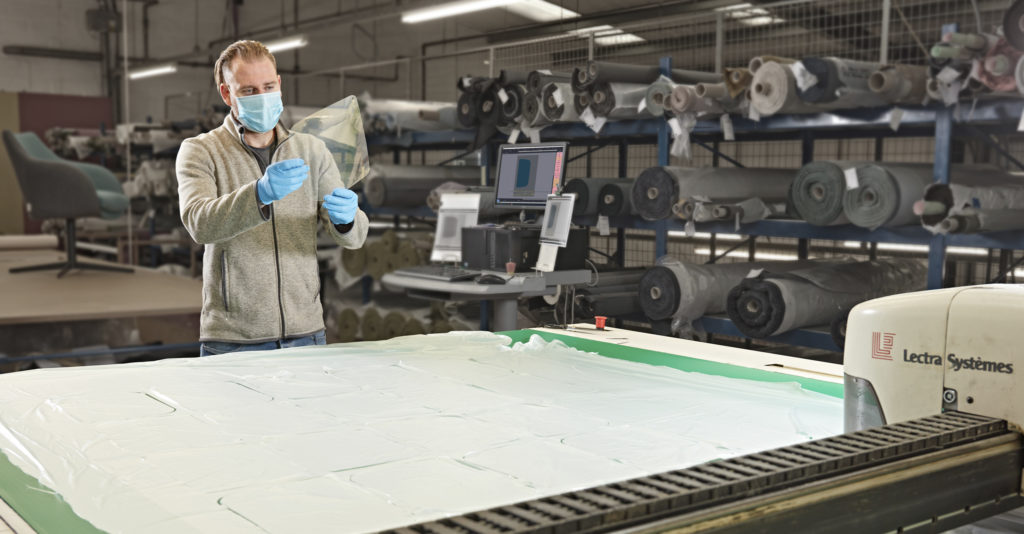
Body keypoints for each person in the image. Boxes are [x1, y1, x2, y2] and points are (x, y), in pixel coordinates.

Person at [176, 40, 367, 356]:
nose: (262, 97)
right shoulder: (201, 151)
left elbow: (355, 238)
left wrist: (347, 220)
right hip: (234, 339)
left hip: (306, 333)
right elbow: (199, 223)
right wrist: (258, 194)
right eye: (249, 91)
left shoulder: (311, 150)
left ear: (279, 85)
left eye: (268, 86)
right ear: (227, 94)